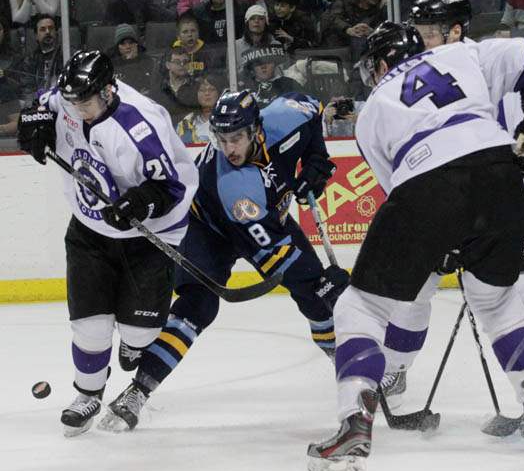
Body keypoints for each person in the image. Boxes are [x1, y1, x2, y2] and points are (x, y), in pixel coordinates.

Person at [307, 21, 524, 471]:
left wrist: (440, 240)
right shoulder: (461, 53)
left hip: (428, 180)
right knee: (499, 303)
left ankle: (353, 425)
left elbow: (399, 193)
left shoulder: (372, 109)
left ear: (381, 64)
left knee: (360, 305)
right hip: (502, 176)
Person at [98, 89, 347, 432]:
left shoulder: (288, 116)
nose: (229, 148)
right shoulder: (234, 185)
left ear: (257, 129)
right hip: (208, 225)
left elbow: (313, 108)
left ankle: (348, 367)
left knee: (316, 298)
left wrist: (317, 158)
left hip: (266, 214)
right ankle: (137, 392)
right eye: (222, 139)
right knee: (199, 306)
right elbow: (272, 247)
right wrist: (318, 281)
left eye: (237, 138)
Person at [374, 0, 524, 406]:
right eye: (419, 30)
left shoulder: (479, 56)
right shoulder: (426, 70)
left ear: (455, 30)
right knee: (416, 287)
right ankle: (393, 373)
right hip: (458, 194)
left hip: (490, 191)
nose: (422, 39)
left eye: (430, 31)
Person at [15, 50, 199, 436]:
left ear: (108, 91)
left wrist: (140, 202)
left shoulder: (140, 125)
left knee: (140, 334)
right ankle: (87, 395)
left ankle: (134, 341)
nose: (78, 110)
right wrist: (33, 121)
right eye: (74, 102)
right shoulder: (69, 98)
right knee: (90, 328)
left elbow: (170, 187)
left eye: (86, 103)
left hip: (150, 236)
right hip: (90, 230)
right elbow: (43, 103)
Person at [13, 13, 62, 101]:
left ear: (56, 32)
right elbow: (27, 91)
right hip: (38, 104)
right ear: (36, 36)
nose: (47, 32)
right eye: (43, 29)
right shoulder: (29, 60)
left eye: (51, 28)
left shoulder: (67, 54)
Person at [176, 73, 223, 144]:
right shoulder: (185, 124)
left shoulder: (227, 118)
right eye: (202, 90)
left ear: (219, 93)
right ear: (196, 94)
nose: (207, 93)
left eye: (212, 89)